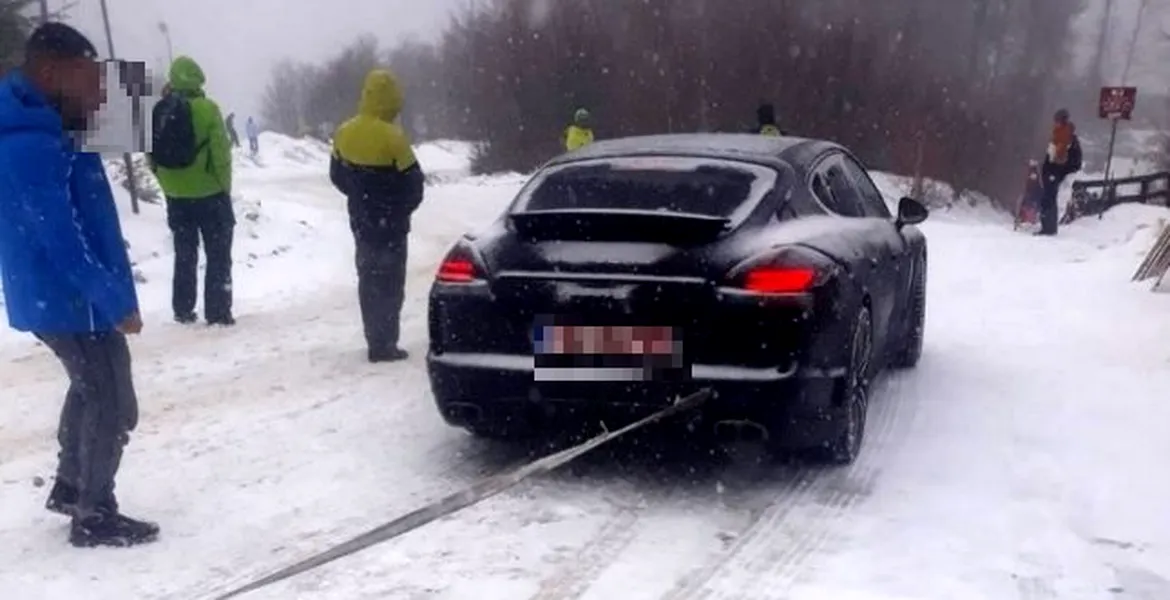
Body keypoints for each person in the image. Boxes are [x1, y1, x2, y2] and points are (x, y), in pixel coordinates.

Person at [0, 22, 159, 548]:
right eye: (89, 80)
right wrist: (115, 301)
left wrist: (121, 104)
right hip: (70, 296)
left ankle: (73, 486)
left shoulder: (52, 123)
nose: (99, 93)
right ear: (49, 73)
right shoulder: (28, 143)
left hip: (72, 293)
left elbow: (92, 181)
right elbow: (61, 239)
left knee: (93, 388)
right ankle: (94, 514)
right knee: (112, 402)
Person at [330, 69, 425, 363]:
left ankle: (374, 339)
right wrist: (398, 210)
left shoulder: (344, 132)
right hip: (393, 226)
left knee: (368, 279)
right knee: (391, 282)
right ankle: (387, 343)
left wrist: (361, 198)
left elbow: (336, 175)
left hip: (361, 221)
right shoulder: (394, 137)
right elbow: (414, 183)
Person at [149, 56, 235, 325]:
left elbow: (151, 156)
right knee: (218, 254)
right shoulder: (208, 109)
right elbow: (221, 154)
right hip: (210, 194)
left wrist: (169, 186)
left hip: (176, 198)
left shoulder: (160, 110)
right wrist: (223, 187)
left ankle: (183, 308)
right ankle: (218, 311)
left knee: (185, 253)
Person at [1037, 108, 1083, 236]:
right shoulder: (1061, 134)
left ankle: (1048, 228)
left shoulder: (1064, 135)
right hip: (1054, 172)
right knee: (1049, 198)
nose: (1054, 123)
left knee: (1049, 199)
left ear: (1060, 121)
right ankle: (1048, 227)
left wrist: (1055, 170)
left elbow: (1059, 157)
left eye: (1056, 120)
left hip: (1054, 172)